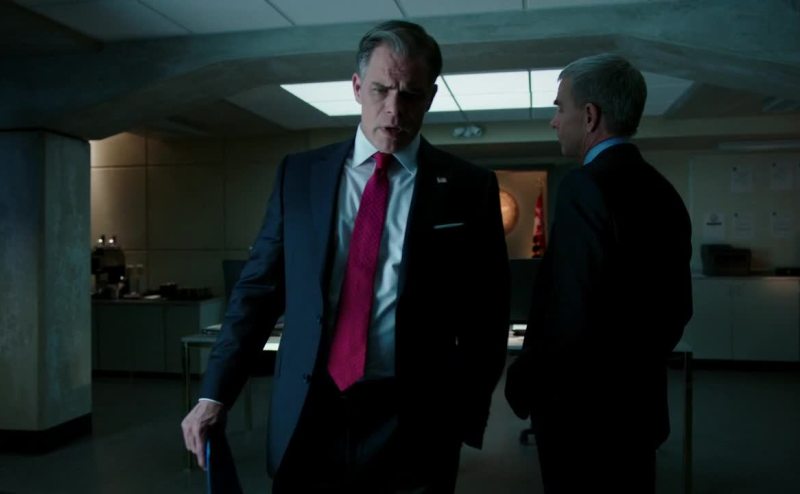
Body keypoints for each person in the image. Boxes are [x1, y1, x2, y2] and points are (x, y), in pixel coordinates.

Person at [182, 20, 510, 493]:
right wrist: (214, 393)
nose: (394, 109)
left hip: (413, 420)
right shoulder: (300, 176)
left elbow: (488, 313)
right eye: (381, 90)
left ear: (431, 97)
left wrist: (461, 413)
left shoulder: (468, 187)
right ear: (357, 87)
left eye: (411, 95)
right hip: (309, 411)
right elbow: (257, 292)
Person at [505, 53, 693, 493]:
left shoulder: (584, 187)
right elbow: (676, 309)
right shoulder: (663, 192)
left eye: (559, 108)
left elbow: (569, 310)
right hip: (637, 410)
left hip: (581, 418)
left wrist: (526, 380)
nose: (554, 121)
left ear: (589, 116)